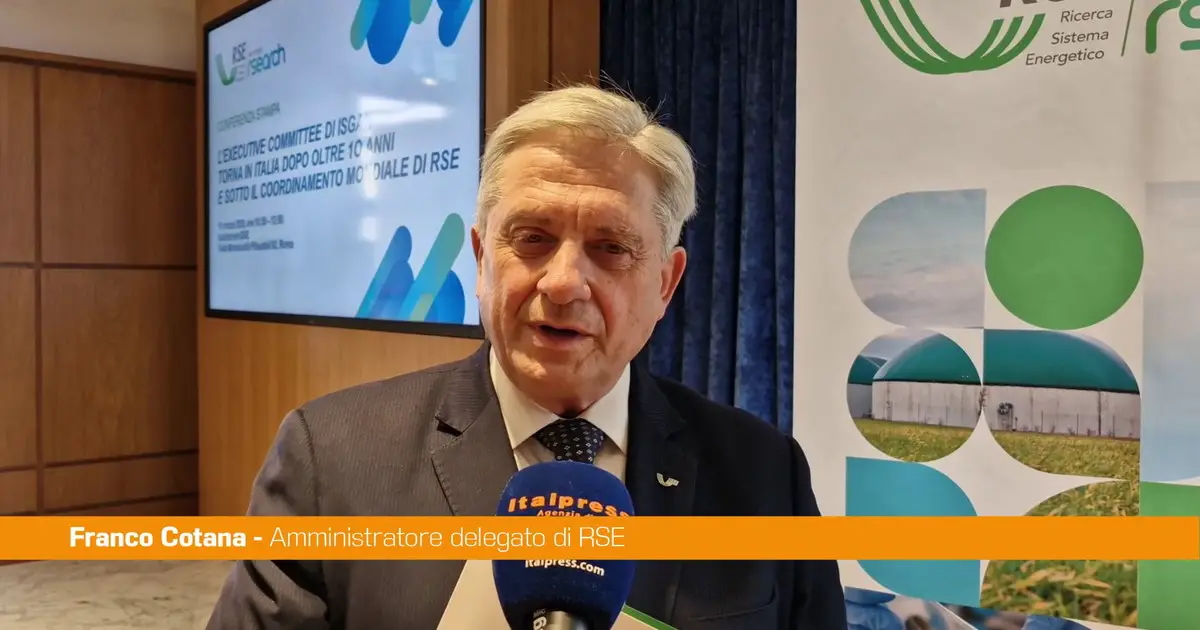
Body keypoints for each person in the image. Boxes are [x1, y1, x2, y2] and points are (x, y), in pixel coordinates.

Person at [205, 84, 845, 629]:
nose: (564, 283)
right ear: (483, 260)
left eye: (611, 247)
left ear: (665, 283)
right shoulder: (332, 458)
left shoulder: (765, 473)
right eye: (532, 238)